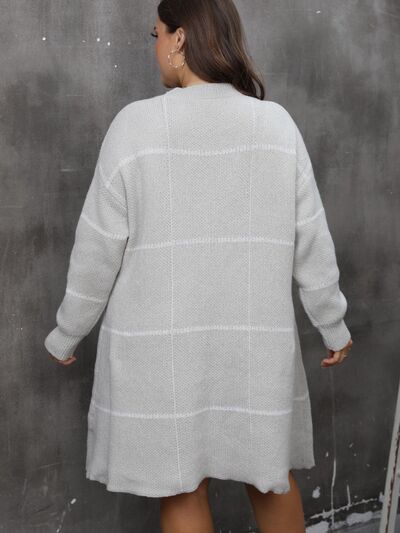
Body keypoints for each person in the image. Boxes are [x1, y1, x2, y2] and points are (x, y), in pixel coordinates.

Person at [44, 0, 353, 531]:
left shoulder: (135, 126)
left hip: (163, 349)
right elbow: (313, 241)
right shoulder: (276, 126)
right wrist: (333, 324)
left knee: (183, 484)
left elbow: (97, 248)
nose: (156, 47)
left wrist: (68, 332)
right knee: (268, 476)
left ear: (180, 38)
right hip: (254, 346)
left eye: (157, 34)